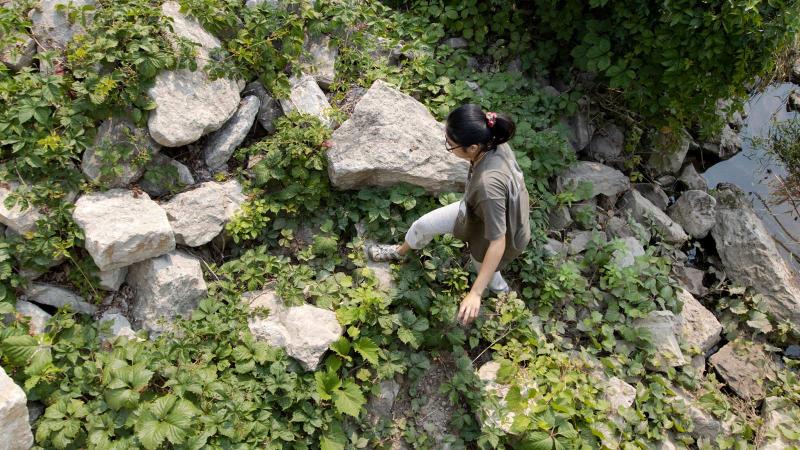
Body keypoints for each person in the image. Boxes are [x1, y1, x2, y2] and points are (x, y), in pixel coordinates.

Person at [368, 104, 531, 326]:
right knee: (423, 225)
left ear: (472, 148)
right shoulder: (492, 140)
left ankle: (504, 295)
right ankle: (399, 252)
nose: (448, 146)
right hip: (478, 210)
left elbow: (497, 242)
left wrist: (474, 293)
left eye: (450, 144)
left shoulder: (488, 186)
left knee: (486, 270)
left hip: (500, 233)